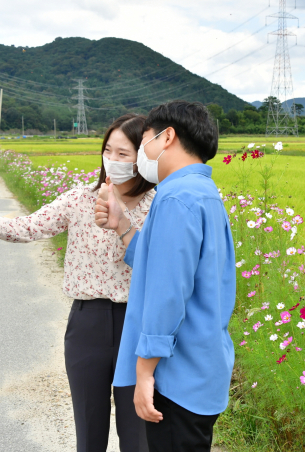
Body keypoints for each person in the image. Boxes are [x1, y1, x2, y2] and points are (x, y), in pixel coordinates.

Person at [0, 113, 154, 452]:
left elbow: (164, 267)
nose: (112, 160)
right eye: (107, 151)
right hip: (87, 323)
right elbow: (27, 227)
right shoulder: (79, 201)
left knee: (138, 434)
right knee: (89, 429)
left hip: (139, 324)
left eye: (123, 154)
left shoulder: (158, 206)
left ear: (142, 160)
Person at [94, 100, 236, 451]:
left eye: (144, 141)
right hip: (204, 368)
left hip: (178, 376)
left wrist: (144, 373)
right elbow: (162, 262)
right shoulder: (203, 193)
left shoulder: (176, 197)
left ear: (167, 136)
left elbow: (168, 293)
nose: (142, 151)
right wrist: (122, 225)